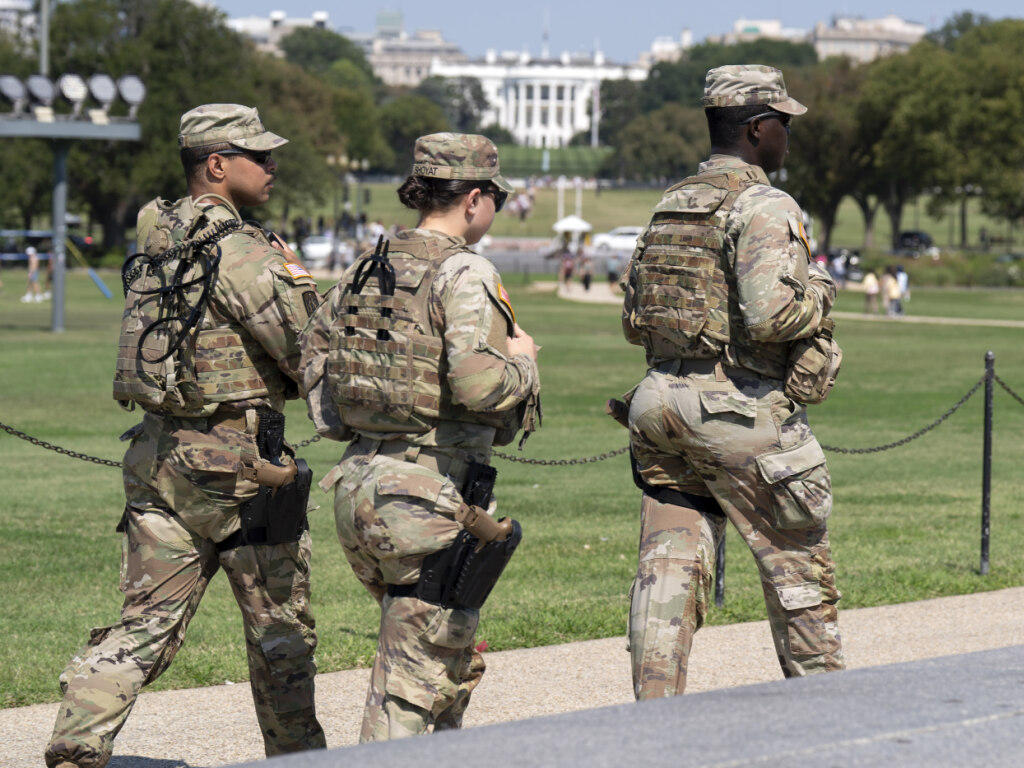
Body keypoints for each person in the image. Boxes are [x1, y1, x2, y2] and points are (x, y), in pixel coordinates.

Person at [45, 104, 327, 768]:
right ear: (217, 164)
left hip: (158, 455)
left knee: (144, 625)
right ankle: (301, 760)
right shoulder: (241, 250)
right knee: (280, 636)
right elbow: (307, 352)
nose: (273, 165)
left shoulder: (160, 237)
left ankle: (77, 740)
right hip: (242, 472)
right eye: (259, 155)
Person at [299, 132, 541, 741]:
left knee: (447, 656)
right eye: (494, 197)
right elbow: (480, 386)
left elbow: (317, 376)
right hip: (426, 497)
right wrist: (525, 363)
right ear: (474, 199)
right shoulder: (465, 270)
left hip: (358, 487)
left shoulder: (366, 265)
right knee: (411, 682)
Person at [618, 65, 844, 699]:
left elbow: (635, 320)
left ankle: (653, 713)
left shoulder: (673, 203)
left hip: (658, 404)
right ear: (756, 129)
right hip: (738, 410)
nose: (788, 136)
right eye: (783, 124)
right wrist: (821, 290)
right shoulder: (766, 203)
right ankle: (828, 712)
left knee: (666, 575)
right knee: (799, 574)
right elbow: (771, 316)